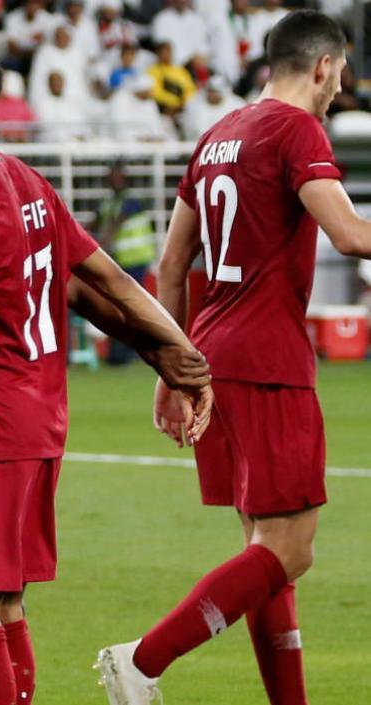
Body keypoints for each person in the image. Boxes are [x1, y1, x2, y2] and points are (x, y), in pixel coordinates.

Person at [0, 27, 210, 705]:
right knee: (5, 597)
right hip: (41, 423)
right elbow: (112, 282)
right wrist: (182, 356)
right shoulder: (26, 180)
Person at [97, 12, 371, 704]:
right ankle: (143, 659)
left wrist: (172, 366)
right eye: (341, 71)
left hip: (211, 352)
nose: (342, 85)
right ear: (321, 65)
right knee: (291, 549)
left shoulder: (220, 133)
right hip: (267, 357)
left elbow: (171, 263)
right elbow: (348, 234)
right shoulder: (294, 129)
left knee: (264, 551)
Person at [93, 161, 155, 365]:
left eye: (116, 175)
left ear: (123, 177)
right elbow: (96, 221)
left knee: (133, 308)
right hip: (121, 262)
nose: (113, 179)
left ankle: (133, 352)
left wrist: (100, 243)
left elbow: (116, 223)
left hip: (136, 261)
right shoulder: (110, 202)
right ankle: (124, 353)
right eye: (111, 176)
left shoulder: (131, 201)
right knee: (123, 308)